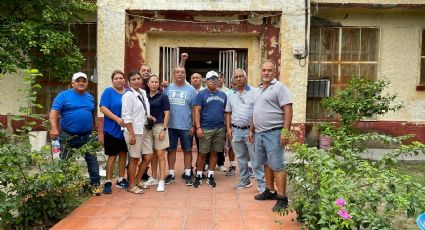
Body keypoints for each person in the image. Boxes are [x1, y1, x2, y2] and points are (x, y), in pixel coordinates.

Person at [250, 60, 293, 212]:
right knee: (266, 163)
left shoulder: (279, 87)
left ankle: (282, 198)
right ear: (261, 72)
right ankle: (270, 191)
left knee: (277, 165)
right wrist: (251, 130)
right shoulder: (258, 89)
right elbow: (257, 111)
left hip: (274, 132)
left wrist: (286, 131)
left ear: (274, 72)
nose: (266, 73)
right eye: (264, 70)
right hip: (260, 133)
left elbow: (288, 108)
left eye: (269, 70)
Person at [49, 72, 101, 195]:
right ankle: (63, 188)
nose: (81, 83)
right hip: (68, 136)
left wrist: (95, 129)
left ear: (87, 83)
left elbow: (92, 114)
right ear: (72, 83)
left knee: (92, 161)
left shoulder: (90, 97)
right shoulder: (63, 96)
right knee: (65, 162)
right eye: (78, 81)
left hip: (87, 136)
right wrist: (54, 128)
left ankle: (95, 185)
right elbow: (54, 113)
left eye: (84, 81)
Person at [225, 68, 266, 190]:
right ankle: (245, 180)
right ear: (233, 80)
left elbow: (257, 112)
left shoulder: (255, 92)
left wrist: (252, 130)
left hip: (250, 131)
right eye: (236, 77)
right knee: (241, 158)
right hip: (235, 130)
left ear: (245, 78)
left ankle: (261, 185)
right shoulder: (230, 94)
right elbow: (228, 112)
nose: (238, 79)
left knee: (255, 158)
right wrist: (228, 128)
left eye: (240, 76)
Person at [193, 71, 227, 188]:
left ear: (218, 80)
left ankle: (211, 175)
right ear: (206, 81)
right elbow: (196, 111)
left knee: (215, 152)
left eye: (215, 79)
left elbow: (226, 112)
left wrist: (227, 127)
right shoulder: (201, 95)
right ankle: (198, 175)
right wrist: (198, 127)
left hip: (220, 128)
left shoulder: (223, 95)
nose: (213, 81)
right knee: (202, 153)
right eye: (210, 79)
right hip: (205, 128)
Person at [163, 67, 197, 185]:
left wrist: (193, 125)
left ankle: (188, 173)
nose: (180, 74)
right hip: (170, 125)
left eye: (182, 72)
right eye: (177, 72)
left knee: (187, 150)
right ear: (173, 74)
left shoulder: (191, 90)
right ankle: (171, 174)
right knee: (171, 150)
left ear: (185, 75)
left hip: (186, 125)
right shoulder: (167, 88)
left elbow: (194, 109)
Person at [122, 70, 152, 194]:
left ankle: (138, 180)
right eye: (133, 79)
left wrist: (149, 117)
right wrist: (131, 134)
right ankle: (131, 185)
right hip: (133, 130)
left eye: (138, 79)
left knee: (149, 155)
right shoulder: (128, 95)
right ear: (129, 82)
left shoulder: (143, 92)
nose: (137, 81)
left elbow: (142, 110)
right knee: (134, 158)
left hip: (144, 128)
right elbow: (126, 116)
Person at [99, 70, 129, 194]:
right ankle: (108, 181)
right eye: (116, 78)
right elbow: (103, 108)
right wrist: (117, 119)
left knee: (123, 154)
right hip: (112, 130)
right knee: (112, 156)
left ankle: (121, 179)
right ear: (112, 80)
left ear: (124, 80)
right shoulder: (108, 92)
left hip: (126, 130)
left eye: (121, 78)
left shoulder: (129, 92)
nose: (119, 80)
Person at [140, 74, 170, 192]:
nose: (154, 84)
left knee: (160, 155)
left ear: (159, 84)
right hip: (148, 128)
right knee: (151, 155)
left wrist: (163, 129)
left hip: (159, 127)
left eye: (156, 82)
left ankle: (161, 180)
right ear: (148, 84)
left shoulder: (163, 96)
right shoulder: (144, 96)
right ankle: (154, 177)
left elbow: (167, 113)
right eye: (152, 82)